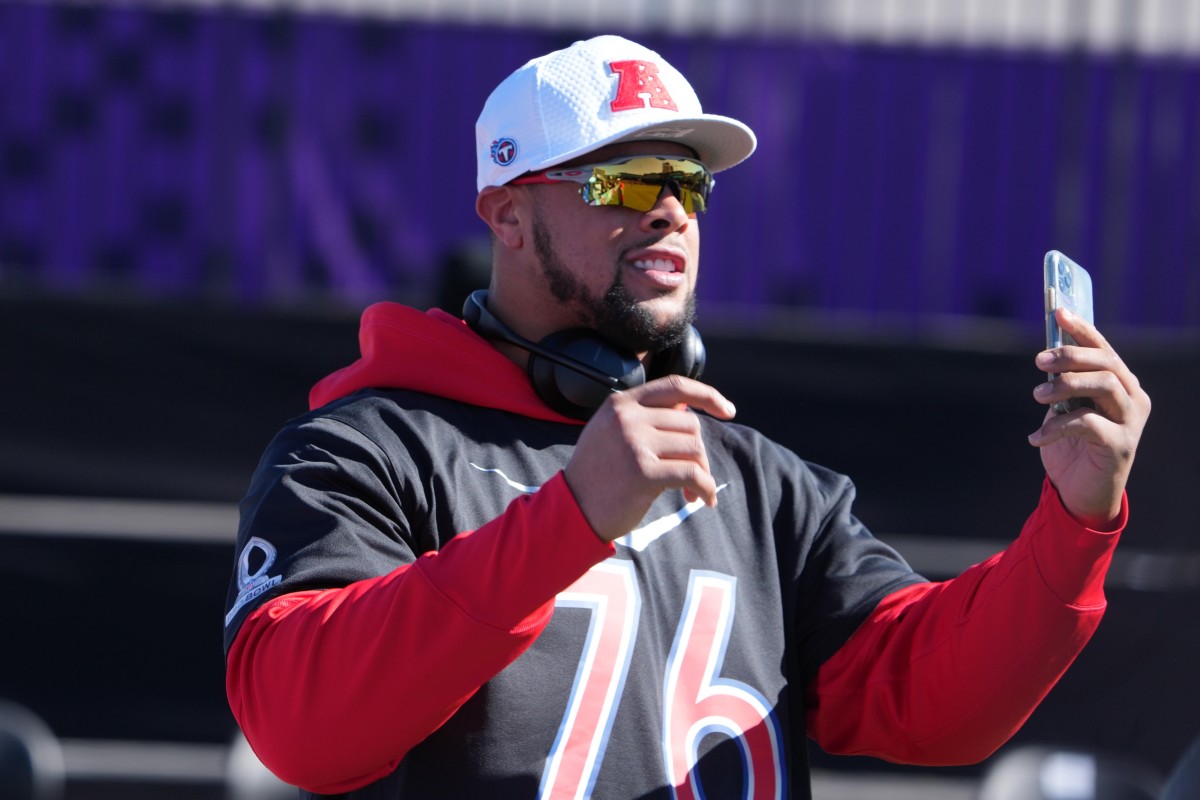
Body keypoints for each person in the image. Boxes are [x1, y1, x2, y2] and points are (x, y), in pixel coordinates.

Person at [223, 35, 1151, 800]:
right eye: (626, 180)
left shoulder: (760, 479)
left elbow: (933, 705)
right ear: (508, 216)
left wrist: (1074, 523)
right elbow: (303, 731)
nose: (670, 210)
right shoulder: (362, 448)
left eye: (689, 183)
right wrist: (569, 518)